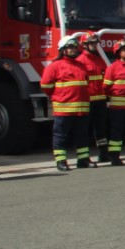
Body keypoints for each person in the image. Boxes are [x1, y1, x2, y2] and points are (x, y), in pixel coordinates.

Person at [40, 35, 91, 171]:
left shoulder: (81, 65)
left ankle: (83, 159)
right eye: (70, 48)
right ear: (62, 50)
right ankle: (61, 161)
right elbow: (46, 85)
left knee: (82, 135)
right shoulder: (55, 66)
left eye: (75, 47)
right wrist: (58, 96)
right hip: (64, 108)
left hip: (81, 109)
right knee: (61, 136)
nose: (73, 50)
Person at [74, 31, 109, 162]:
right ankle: (83, 157)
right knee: (83, 130)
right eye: (91, 43)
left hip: (100, 100)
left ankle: (103, 153)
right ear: (84, 45)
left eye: (95, 43)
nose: (94, 46)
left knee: (101, 129)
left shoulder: (99, 60)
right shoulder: (80, 61)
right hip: (87, 101)